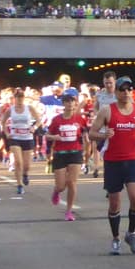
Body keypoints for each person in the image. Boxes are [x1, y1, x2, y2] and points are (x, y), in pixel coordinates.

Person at [89, 76, 135, 255]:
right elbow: (91, 133)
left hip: (133, 160)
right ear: (116, 93)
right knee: (114, 203)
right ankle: (115, 238)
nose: (126, 93)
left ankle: (131, 233)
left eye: (129, 89)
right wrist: (104, 134)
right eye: (122, 89)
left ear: (132, 92)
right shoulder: (107, 111)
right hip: (113, 162)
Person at [45, 90, 87, 221]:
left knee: (72, 183)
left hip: (75, 153)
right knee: (61, 185)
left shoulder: (80, 119)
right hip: (60, 154)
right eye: (67, 102)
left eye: (72, 101)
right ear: (63, 104)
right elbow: (47, 135)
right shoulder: (57, 120)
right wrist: (54, 137)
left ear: (75, 103)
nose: (70, 104)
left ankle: (69, 211)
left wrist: (86, 149)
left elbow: (84, 134)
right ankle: (56, 191)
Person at [0, 88, 42, 195]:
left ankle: (25, 174)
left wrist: (34, 128)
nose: (19, 100)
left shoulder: (29, 108)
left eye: (21, 98)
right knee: (18, 162)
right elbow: (3, 122)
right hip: (15, 138)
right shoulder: (11, 109)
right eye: (17, 98)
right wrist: (6, 133)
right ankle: (19, 185)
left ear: (24, 98)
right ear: (14, 99)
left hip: (27, 138)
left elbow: (38, 120)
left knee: (26, 165)